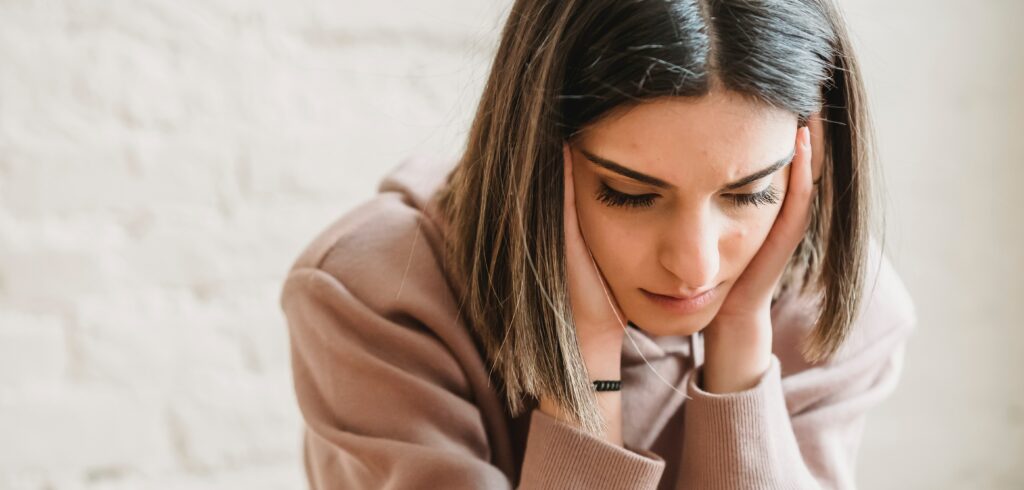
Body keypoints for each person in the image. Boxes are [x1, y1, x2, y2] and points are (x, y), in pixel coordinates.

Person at [278, 0, 917, 488]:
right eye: (631, 194)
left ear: (816, 153)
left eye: (749, 193)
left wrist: (742, 353)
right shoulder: (377, 301)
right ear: (532, 151)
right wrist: (581, 371)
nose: (694, 263)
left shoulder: (839, 309)